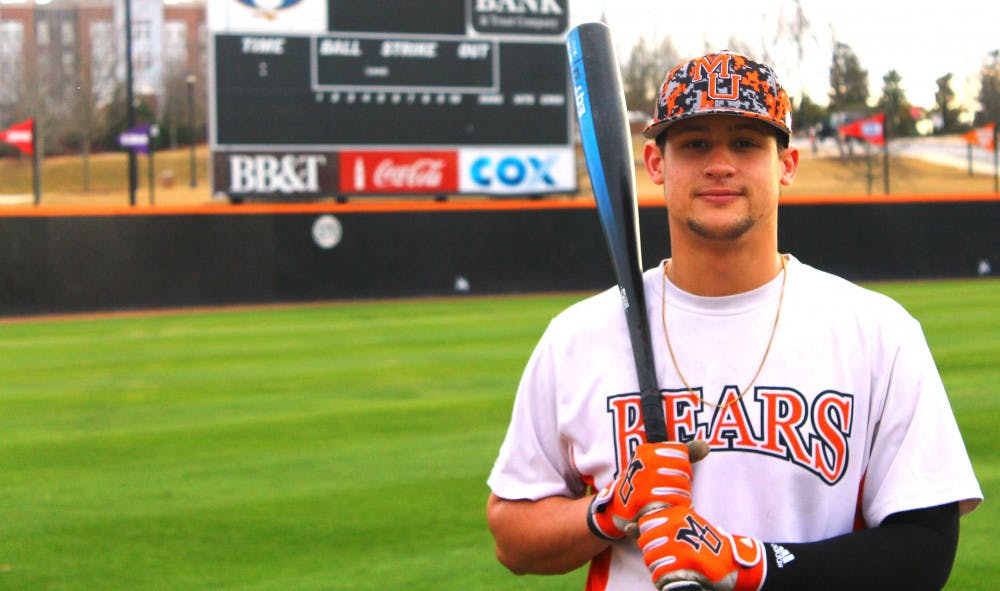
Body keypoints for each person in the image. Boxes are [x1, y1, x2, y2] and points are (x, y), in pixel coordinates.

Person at [486, 50, 982, 591]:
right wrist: (605, 512)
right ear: (655, 164)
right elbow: (513, 537)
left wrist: (748, 564)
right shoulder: (579, 336)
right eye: (695, 143)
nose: (719, 163)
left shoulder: (876, 332)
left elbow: (923, 552)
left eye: (745, 142)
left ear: (785, 164)